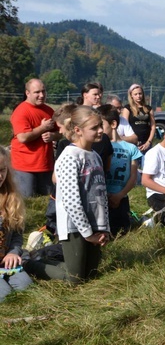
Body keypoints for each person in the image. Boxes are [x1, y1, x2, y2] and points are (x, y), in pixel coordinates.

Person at [25, 107, 110, 285]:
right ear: (78, 130)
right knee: (76, 280)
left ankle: (56, 260)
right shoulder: (69, 157)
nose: (101, 130)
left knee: (92, 276)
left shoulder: (95, 156)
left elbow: (101, 195)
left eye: (100, 125)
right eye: (94, 127)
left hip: (95, 224)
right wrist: (87, 234)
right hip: (74, 226)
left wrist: (104, 229)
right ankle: (31, 263)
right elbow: (72, 202)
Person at [9, 78, 60, 197]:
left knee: (49, 198)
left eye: (43, 91)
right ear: (27, 93)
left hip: (46, 165)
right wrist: (43, 128)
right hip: (25, 166)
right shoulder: (21, 111)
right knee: (27, 198)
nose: (41, 95)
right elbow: (23, 138)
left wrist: (53, 136)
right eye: (37, 92)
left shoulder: (48, 110)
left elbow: (61, 132)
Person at [98, 105, 142, 237]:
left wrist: (120, 195)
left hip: (122, 197)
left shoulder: (131, 148)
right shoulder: (99, 146)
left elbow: (133, 177)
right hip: (102, 198)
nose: (99, 130)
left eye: (101, 125)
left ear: (113, 124)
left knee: (124, 232)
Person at [0, 146, 34, 301]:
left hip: (5, 261)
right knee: (4, 294)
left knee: (25, 286)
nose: (0, 175)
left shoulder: (11, 198)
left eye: (2, 170)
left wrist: (13, 252)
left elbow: (17, 234)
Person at [122, 84, 156, 153]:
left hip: (146, 143)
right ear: (131, 95)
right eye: (136, 94)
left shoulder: (148, 109)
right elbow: (124, 126)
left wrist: (148, 142)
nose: (138, 96)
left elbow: (153, 126)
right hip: (132, 143)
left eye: (140, 93)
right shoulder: (127, 108)